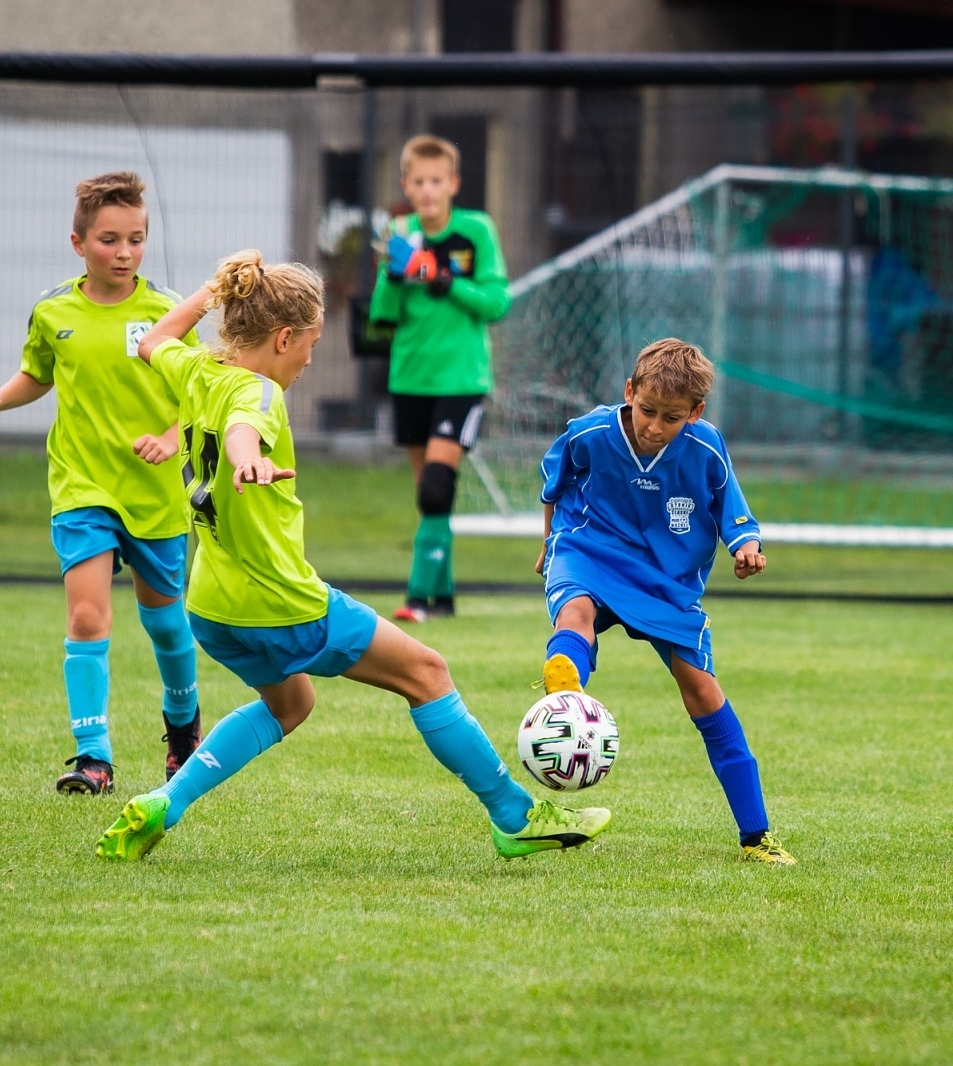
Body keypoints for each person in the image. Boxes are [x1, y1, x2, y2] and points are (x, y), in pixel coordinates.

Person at [95, 250, 609, 863]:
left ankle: (165, 802)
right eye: (310, 344)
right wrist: (247, 460)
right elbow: (242, 430)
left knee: (291, 704)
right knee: (427, 672)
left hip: (210, 607)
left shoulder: (199, 369)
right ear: (283, 338)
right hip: (281, 604)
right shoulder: (258, 391)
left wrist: (214, 290)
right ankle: (515, 816)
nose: (310, 359)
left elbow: (154, 340)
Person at [0, 172, 203, 797]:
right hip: (82, 488)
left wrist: (171, 438)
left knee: (166, 624)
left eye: (136, 240)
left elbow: (201, 395)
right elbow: (37, 374)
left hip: (153, 493)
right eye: (109, 240)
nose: (124, 253)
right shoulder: (53, 311)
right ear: (78, 243)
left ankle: (183, 729)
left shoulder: (168, 311)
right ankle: (93, 757)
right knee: (88, 616)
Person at [535, 338, 796, 866]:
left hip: (665, 580)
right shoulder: (589, 433)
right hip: (591, 551)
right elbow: (554, 488)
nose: (654, 426)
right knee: (575, 614)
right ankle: (566, 696)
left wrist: (746, 547)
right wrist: (548, 544)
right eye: (647, 410)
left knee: (702, 690)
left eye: (671, 418)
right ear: (629, 391)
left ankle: (756, 837)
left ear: (695, 413)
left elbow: (734, 513)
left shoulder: (706, 448)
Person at [368, 134, 511, 623]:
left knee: (435, 487)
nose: (428, 190)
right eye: (419, 182)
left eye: (437, 181)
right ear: (406, 185)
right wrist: (393, 275)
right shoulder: (399, 232)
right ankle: (444, 598)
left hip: (462, 380)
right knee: (431, 497)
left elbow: (497, 303)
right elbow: (382, 317)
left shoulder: (476, 230)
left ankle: (415, 600)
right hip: (411, 377)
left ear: (454, 184)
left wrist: (441, 278)